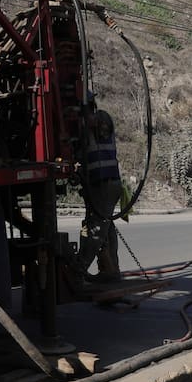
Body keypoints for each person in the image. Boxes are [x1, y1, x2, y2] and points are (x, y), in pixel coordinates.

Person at [78, 109, 122, 281]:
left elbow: (100, 122)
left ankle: (79, 269)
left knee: (97, 231)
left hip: (105, 186)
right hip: (103, 186)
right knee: (107, 227)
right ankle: (112, 270)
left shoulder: (99, 127)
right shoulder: (93, 134)